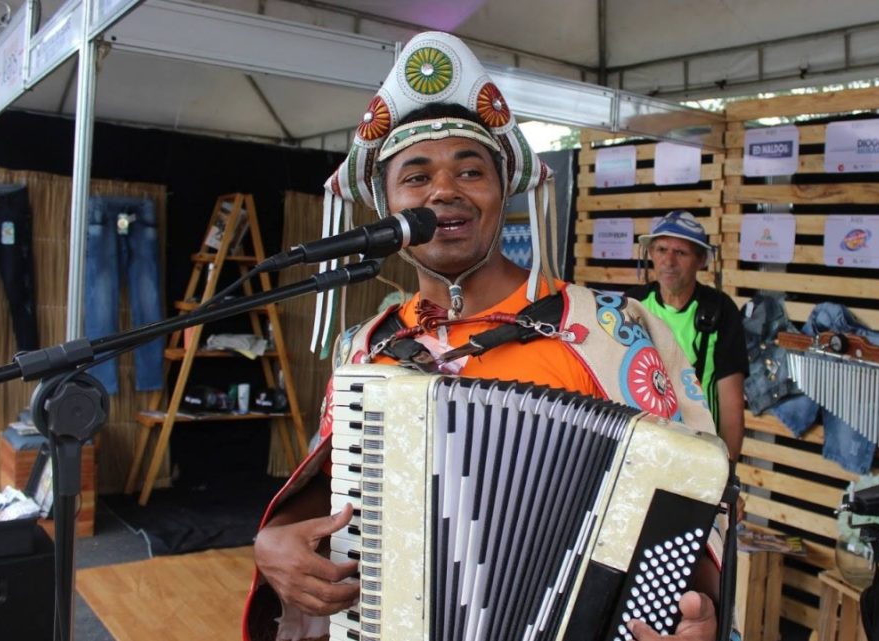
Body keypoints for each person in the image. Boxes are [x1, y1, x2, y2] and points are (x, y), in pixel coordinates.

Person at [244, 32, 724, 641]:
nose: (445, 190)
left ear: (502, 196)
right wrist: (271, 545)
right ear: (387, 207)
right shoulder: (364, 348)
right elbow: (328, 506)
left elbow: (695, 505)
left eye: (471, 170)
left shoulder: (614, 330)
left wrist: (696, 613)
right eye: (415, 177)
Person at [626, 211, 747, 461]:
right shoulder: (633, 304)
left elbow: (731, 404)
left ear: (701, 260)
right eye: (661, 249)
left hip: (698, 453)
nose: (668, 261)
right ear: (650, 254)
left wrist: (727, 474)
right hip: (640, 447)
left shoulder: (720, 310)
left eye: (680, 253)